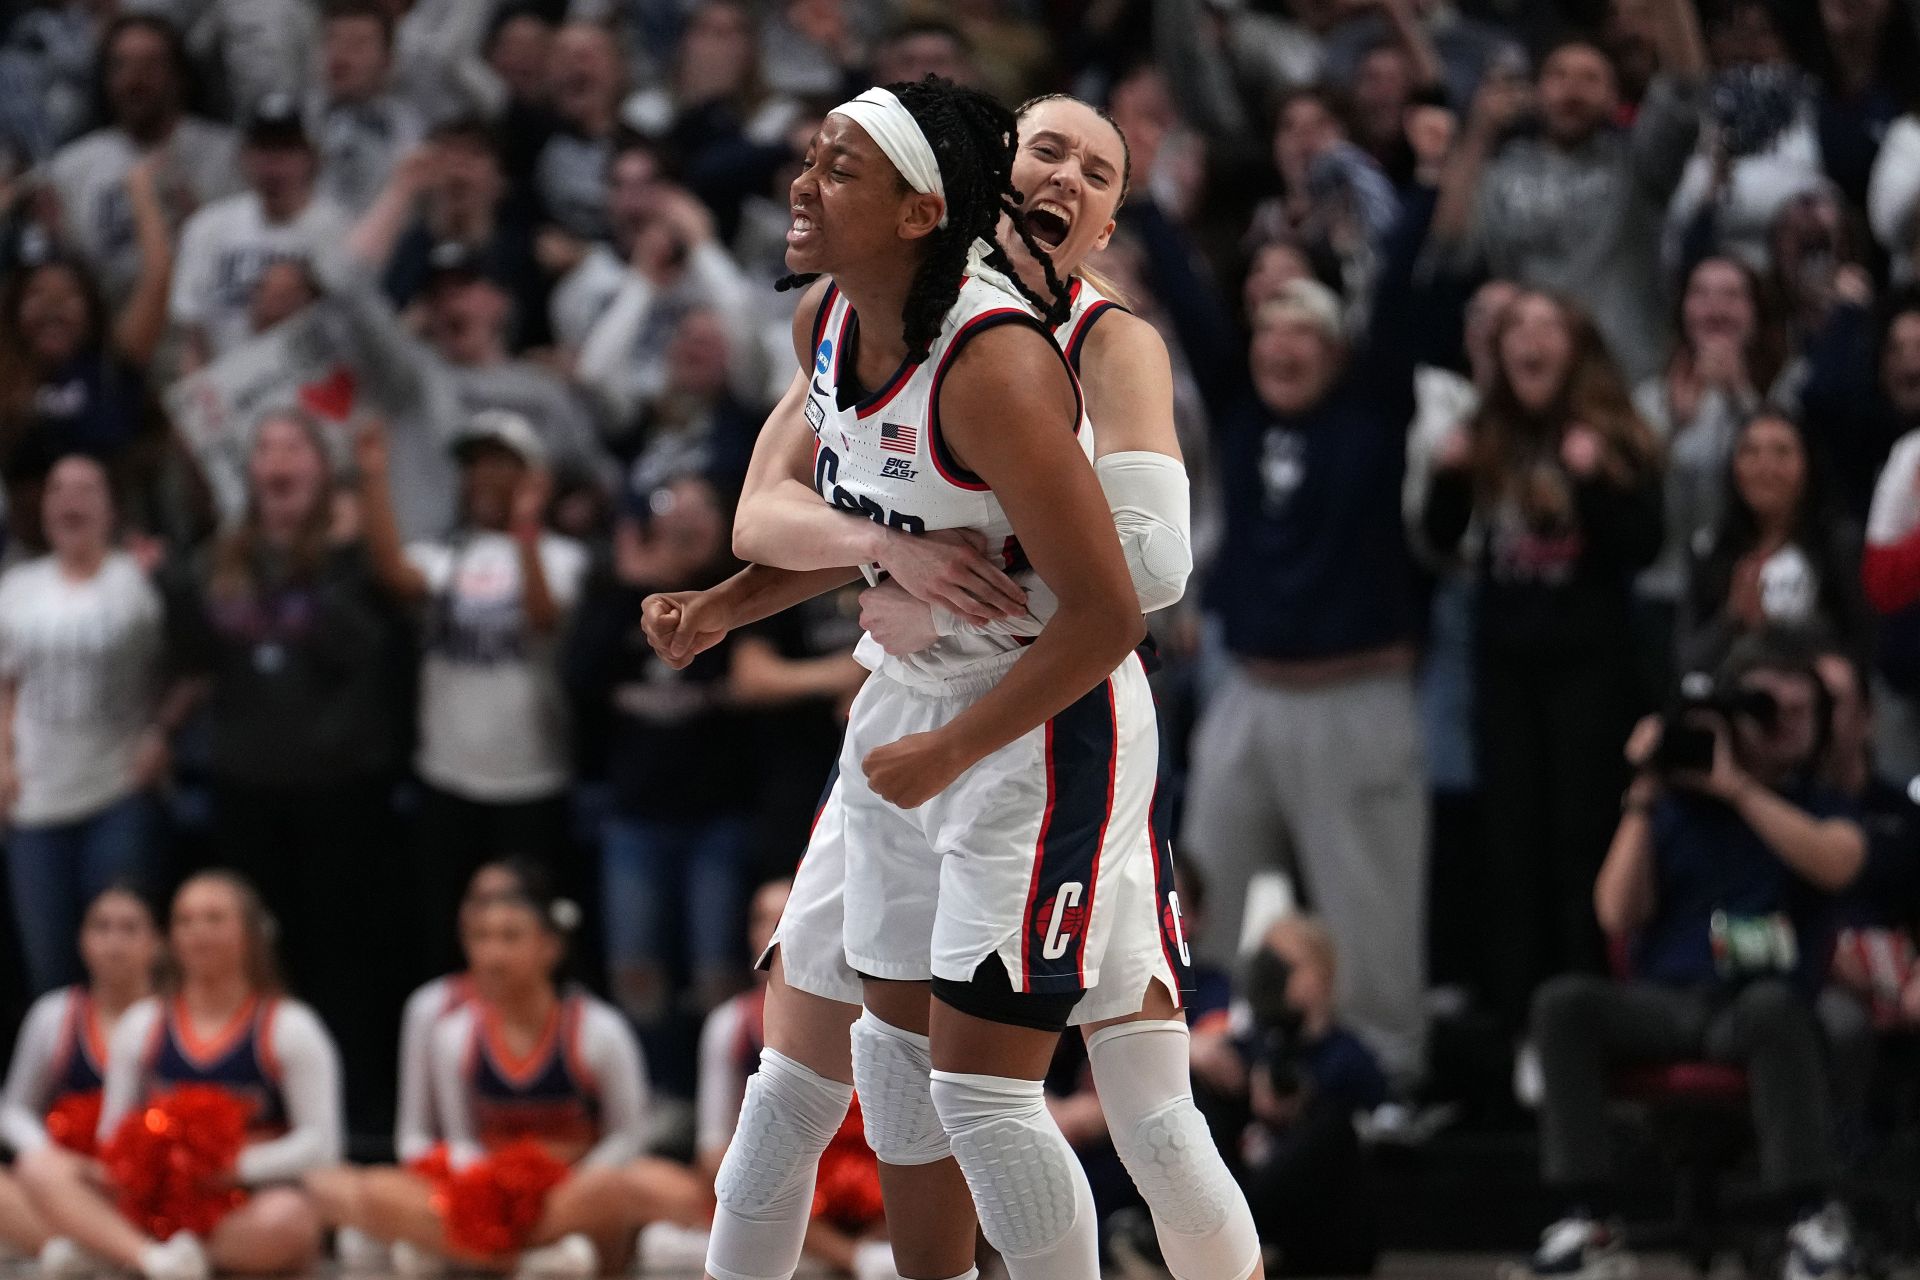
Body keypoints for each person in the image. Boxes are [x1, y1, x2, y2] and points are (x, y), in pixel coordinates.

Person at [646, 86, 1259, 1280]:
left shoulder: (1079, 344)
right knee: (856, 1078)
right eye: (1049, 150)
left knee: (1126, 1102)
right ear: (986, 176)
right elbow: (802, 502)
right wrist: (760, 592)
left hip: (1051, 720)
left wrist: (925, 583)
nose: (1066, 180)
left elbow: (1144, 575)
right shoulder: (861, 313)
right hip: (914, 694)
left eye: (1099, 170)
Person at [1524, 633, 1865, 1280]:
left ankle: (1809, 1220)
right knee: (1563, 1005)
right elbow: (1615, 914)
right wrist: (1646, 791)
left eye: (1801, 713)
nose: (1784, 726)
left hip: (1758, 1009)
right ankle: (1588, 1219)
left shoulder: (1820, 807)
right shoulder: (1677, 810)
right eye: (1768, 710)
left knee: (1773, 1008)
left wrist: (1741, 789)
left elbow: (1837, 863)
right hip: (1670, 1001)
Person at [161, 408, 411, 1131]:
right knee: (260, 953)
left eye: (294, 446)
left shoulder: (356, 555)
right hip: (247, 786)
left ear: (319, 469)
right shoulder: (222, 561)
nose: (277, 458)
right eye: (265, 448)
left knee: (344, 958)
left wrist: (339, 556)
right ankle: (261, 1109)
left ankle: (353, 1117)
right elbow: (194, 653)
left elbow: (373, 650)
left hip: (341, 790)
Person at [1423, 291, 1665, 1034]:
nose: (1528, 340)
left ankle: (1586, 1018)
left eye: (1547, 326)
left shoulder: (1611, 432)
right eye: (1516, 329)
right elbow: (1442, 539)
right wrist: (1448, 479)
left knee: (1580, 840)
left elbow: (1644, 547)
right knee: (1510, 847)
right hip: (1507, 671)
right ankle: (1518, 1027)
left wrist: (1593, 480)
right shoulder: (1483, 432)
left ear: (1577, 345)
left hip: (1590, 672)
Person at [310, 872, 705, 1277]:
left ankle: (460, 1252)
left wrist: (562, 1180)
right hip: (487, 1190)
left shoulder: (598, 1030)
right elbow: (460, 1139)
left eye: (510, 937)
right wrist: (490, 1187)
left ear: (550, 947)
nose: (493, 954)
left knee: (641, 1185)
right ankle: (527, 1259)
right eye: (481, 938)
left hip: (570, 1190)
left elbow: (629, 1135)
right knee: (375, 1188)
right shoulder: (453, 1035)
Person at [18, 872, 344, 1280]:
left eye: (213, 919)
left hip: (245, 1197)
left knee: (291, 1220)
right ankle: (155, 1258)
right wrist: (153, 1163)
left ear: (250, 933)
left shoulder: (288, 1026)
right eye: (185, 921)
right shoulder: (145, 1023)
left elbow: (323, 1145)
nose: (197, 933)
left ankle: (117, 1249)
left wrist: (234, 1167)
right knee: (38, 1167)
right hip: (154, 1193)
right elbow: (111, 1134)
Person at [356, 410, 589, 974]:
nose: (483, 477)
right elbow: (393, 572)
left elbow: (542, 618)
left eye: (499, 464)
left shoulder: (563, 557)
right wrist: (371, 475)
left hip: (531, 779)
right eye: (475, 465)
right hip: (447, 777)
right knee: (447, 934)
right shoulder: (448, 555)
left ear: (533, 477)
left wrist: (527, 530)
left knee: (534, 935)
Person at [1430, 0, 1708, 382]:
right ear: (1536, 92)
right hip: (1538, 382)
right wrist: (1479, 131)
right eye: (1558, 76)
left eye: (1590, 78)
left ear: (1614, 98)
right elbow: (1448, 247)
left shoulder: (1639, 163)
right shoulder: (1504, 172)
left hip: (1628, 374)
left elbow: (1686, 90)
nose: (1572, 89)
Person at [0, 455, 170, 995]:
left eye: (86, 489)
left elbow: (182, 669)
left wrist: (162, 733)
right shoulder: (17, 587)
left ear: (111, 508)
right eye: (58, 489)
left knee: (124, 966)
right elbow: (6, 682)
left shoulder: (137, 582)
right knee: (49, 969)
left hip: (117, 792)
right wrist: (1, 759)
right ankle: (67, 1079)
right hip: (35, 801)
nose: (70, 500)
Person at [1633, 255, 1797, 681]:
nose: (1715, 308)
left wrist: (1740, 396)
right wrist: (1674, 425)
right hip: (1662, 591)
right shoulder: (1650, 399)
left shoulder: (1784, 391)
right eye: (1701, 295)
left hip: (1753, 589)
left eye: (1732, 295)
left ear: (1757, 313)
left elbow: (1787, 471)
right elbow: (1629, 492)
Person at [0, 885, 160, 1259]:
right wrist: (46, 1152)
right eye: (101, 928)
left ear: (157, 942)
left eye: (129, 928)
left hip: (147, 1179)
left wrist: (126, 1165)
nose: (113, 942)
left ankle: (78, 1248)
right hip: (67, 1177)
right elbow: (13, 1107)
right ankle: (99, 1248)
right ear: (82, 940)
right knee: (29, 1173)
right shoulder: (54, 1014)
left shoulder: (175, 1016)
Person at [46, 14, 239, 303]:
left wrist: (200, 227)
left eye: (151, 64)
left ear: (180, 75)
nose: (135, 78)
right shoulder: (70, 168)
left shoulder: (229, 155)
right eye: (120, 65)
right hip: (111, 329)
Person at [167, 95, 352, 368]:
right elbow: (193, 339)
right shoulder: (208, 227)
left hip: (316, 391)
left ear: (312, 158)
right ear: (244, 155)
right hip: (231, 390)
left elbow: (353, 335)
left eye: (286, 149)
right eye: (263, 149)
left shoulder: (341, 231)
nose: (273, 165)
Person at [1680, 411, 1870, 673]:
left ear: (1808, 464)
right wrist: (1731, 618)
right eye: (1751, 452)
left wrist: (1769, 628)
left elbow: (1858, 645)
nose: (1765, 467)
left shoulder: (1840, 545)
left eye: (1782, 452)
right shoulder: (1709, 548)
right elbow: (1687, 661)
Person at [312, 1, 427, 217]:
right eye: (332, 40)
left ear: (387, 61)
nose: (340, 55)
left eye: (358, 44)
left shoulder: (409, 126)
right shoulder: (295, 120)